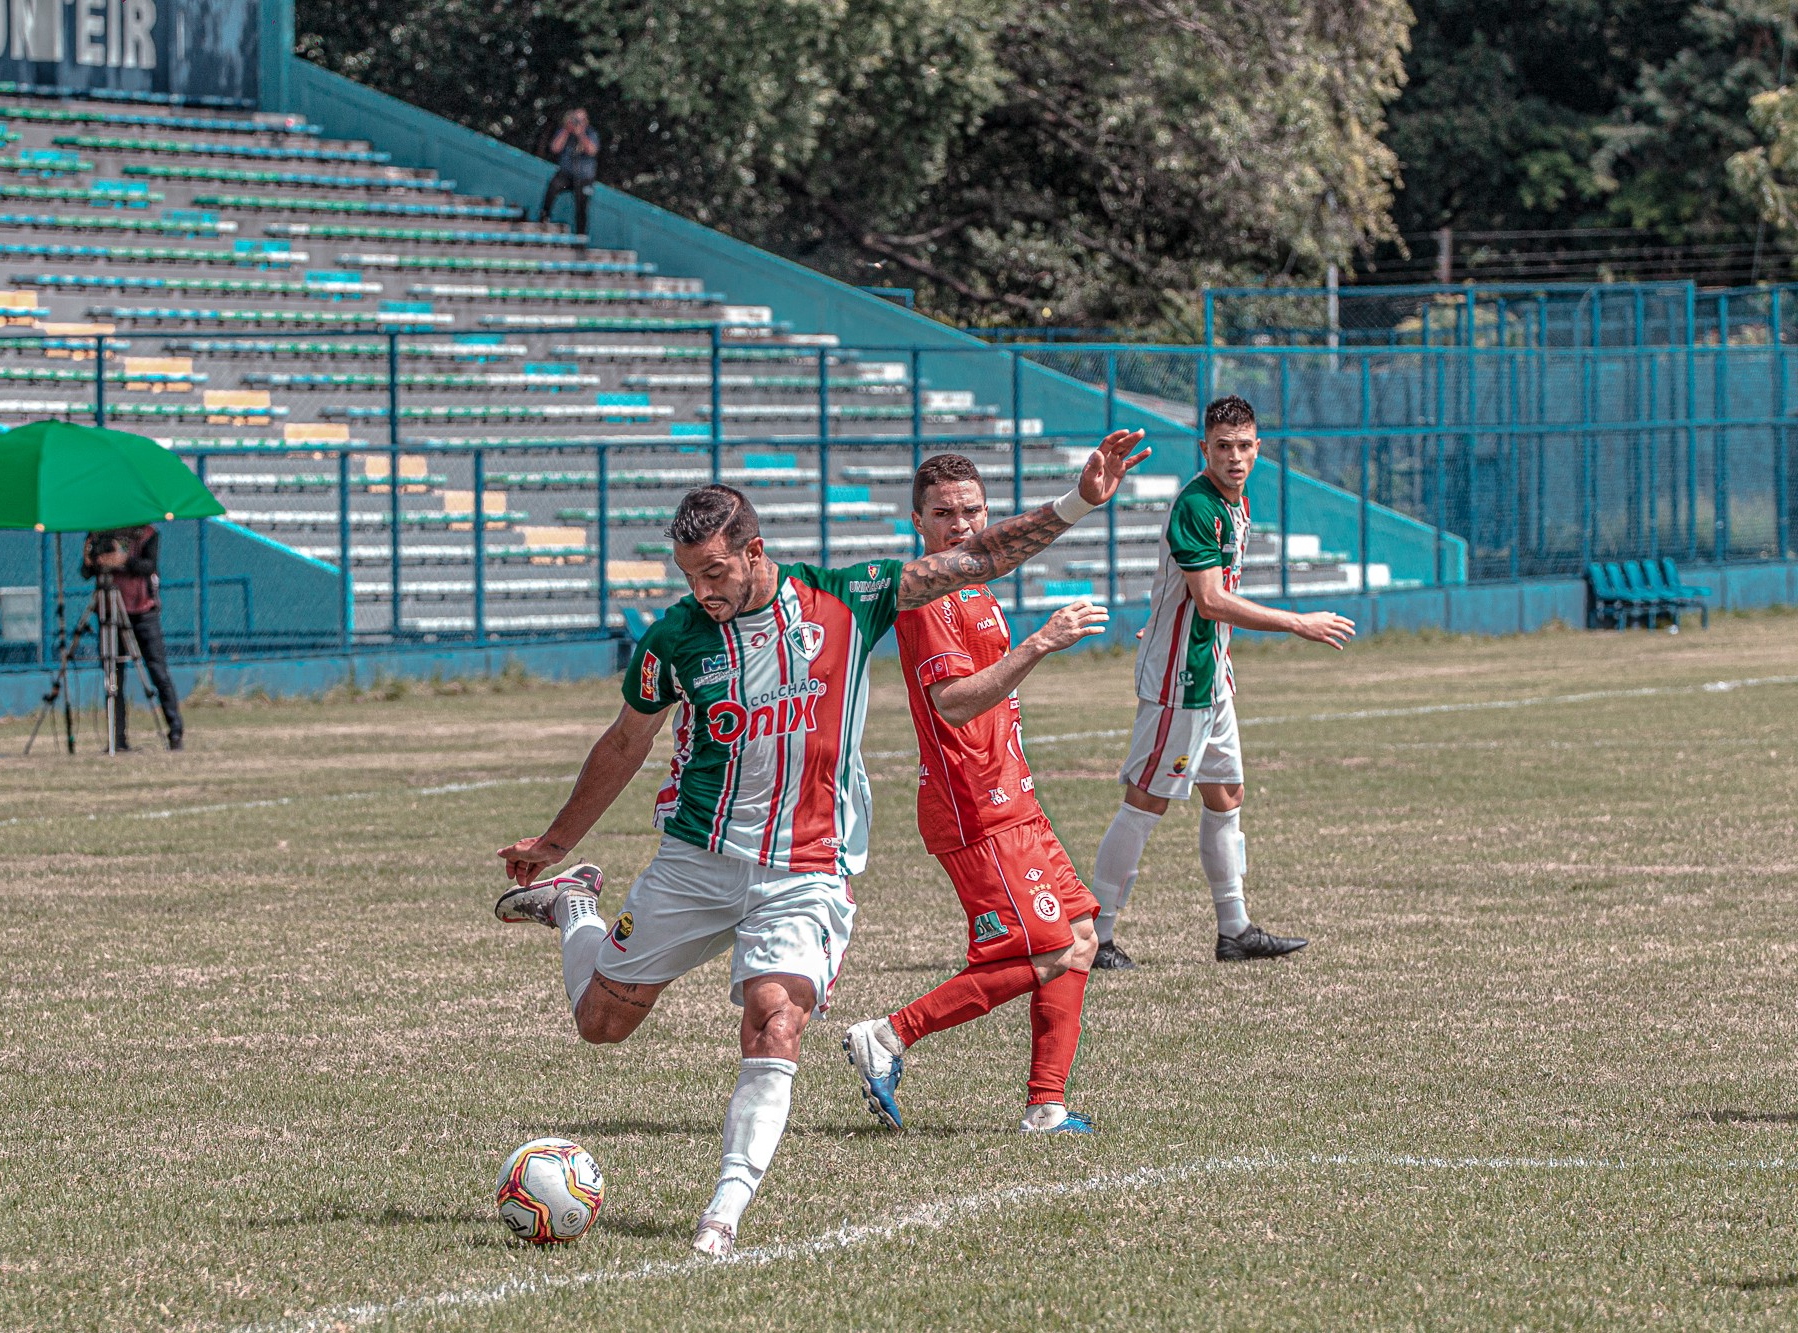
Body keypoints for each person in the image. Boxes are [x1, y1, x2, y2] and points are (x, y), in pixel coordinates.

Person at [493, 429, 1151, 1257]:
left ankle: (722, 1215)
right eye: (689, 576)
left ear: (754, 550)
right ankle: (575, 906)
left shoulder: (845, 598)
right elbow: (625, 741)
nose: (702, 590)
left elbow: (977, 557)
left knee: (776, 1020)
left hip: (806, 868)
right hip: (696, 857)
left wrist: (1080, 501)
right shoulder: (675, 639)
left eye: (714, 572)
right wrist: (557, 839)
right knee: (600, 1024)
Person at [841, 454, 1110, 1136]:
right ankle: (889, 1034)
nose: (959, 524)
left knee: (1080, 937)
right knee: (1045, 950)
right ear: (917, 521)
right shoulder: (927, 598)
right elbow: (954, 702)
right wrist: (1041, 642)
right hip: (973, 804)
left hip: (1014, 796)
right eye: (943, 514)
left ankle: (1046, 1107)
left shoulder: (976, 585)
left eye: (971, 511)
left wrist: (1077, 499)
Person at [1088, 395, 1355, 970]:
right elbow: (1209, 600)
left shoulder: (1237, 502)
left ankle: (1234, 930)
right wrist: (1297, 623)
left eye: (1244, 446)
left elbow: (1192, 592)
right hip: (1180, 678)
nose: (1235, 457)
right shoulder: (1196, 505)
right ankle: (1096, 935)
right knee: (1146, 801)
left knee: (1226, 794)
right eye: (1223, 446)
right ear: (1203, 448)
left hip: (1214, 675)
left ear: (1259, 448)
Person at [81, 524, 183, 752]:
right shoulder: (99, 532)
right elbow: (86, 572)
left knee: (158, 672)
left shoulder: (147, 533)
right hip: (109, 612)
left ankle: (175, 732)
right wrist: (92, 558)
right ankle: (117, 739)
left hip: (143, 612)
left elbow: (149, 566)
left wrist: (123, 561)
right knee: (113, 677)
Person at [539, 108, 599, 236]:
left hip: (584, 178)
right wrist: (567, 130)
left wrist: (581, 134)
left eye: (581, 120)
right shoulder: (565, 131)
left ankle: (581, 235)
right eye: (575, 119)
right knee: (552, 187)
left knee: (582, 207)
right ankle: (544, 217)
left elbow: (592, 151)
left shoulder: (591, 133)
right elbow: (555, 148)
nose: (578, 123)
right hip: (566, 175)